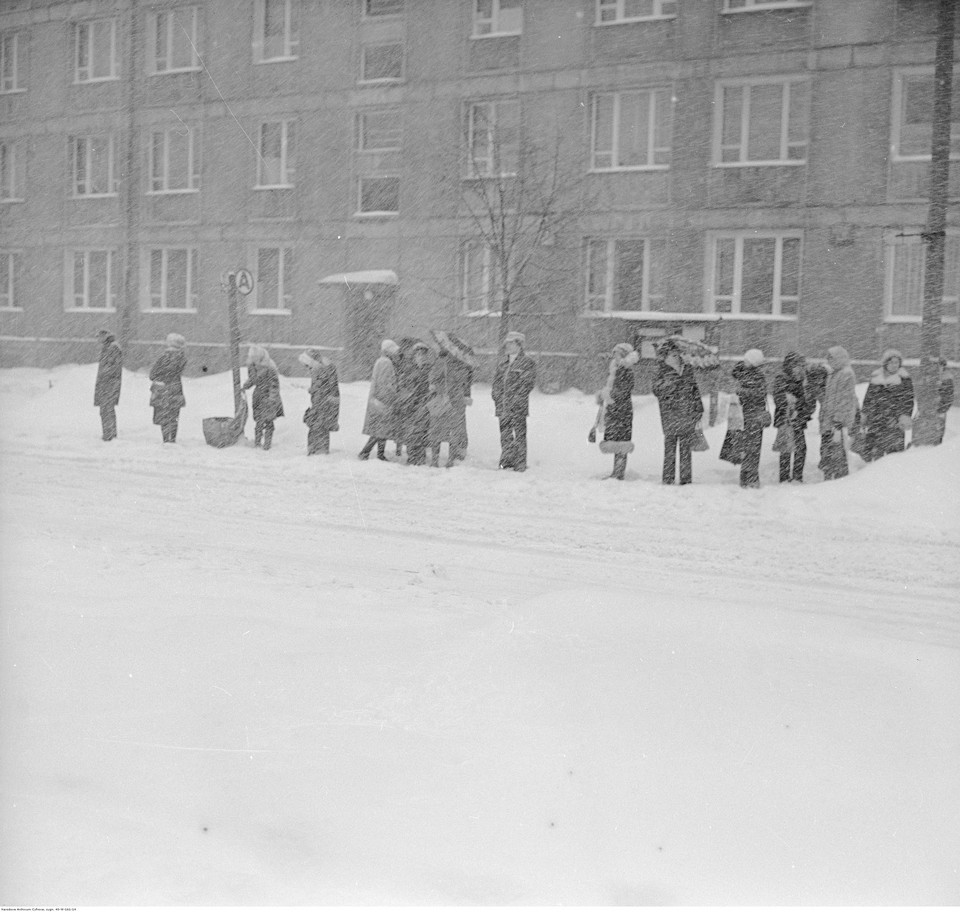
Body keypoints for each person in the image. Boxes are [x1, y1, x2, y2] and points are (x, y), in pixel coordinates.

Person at [652, 340, 703, 485]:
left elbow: (694, 389)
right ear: (666, 356)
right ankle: (668, 478)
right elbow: (656, 390)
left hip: (687, 413)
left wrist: (698, 407)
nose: (675, 356)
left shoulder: (686, 369)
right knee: (670, 448)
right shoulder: (661, 370)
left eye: (677, 353)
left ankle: (686, 479)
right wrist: (670, 383)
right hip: (670, 414)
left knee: (686, 449)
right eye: (672, 354)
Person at [491, 331, 536, 472]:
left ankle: (520, 463)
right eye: (507, 343)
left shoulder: (527, 363)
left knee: (519, 435)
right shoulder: (503, 363)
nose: (508, 346)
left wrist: (516, 399)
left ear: (519, 345)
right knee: (505, 435)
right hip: (502, 406)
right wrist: (496, 396)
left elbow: (527, 384)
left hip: (518, 407)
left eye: (511, 343)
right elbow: (497, 383)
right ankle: (506, 461)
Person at [860, 349, 914, 461]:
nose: (894, 365)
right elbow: (868, 399)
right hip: (876, 421)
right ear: (885, 363)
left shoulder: (904, 379)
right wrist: (864, 414)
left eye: (897, 362)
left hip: (894, 422)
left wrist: (904, 416)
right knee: (874, 454)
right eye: (891, 362)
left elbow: (908, 400)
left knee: (893, 456)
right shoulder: (876, 378)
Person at [597, 342, 638, 480]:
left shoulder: (626, 370)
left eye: (617, 354)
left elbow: (624, 391)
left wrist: (608, 395)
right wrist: (604, 394)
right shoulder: (616, 369)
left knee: (621, 443)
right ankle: (617, 471)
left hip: (622, 411)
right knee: (616, 442)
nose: (614, 356)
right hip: (615, 410)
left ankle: (619, 472)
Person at [772, 351, 815, 483]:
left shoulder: (804, 380)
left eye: (800, 365)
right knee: (786, 448)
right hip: (786, 419)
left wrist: (803, 411)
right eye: (796, 364)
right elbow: (779, 398)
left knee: (800, 448)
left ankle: (797, 477)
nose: (799, 368)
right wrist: (791, 405)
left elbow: (810, 400)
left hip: (799, 419)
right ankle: (785, 478)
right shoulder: (782, 379)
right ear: (789, 365)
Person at [818, 345, 859, 480]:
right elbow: (828, 398)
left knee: (837, 455)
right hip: (829, 422)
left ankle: (838, 482)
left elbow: (845, 399)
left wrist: (838, 420)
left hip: (836, 423)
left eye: (832, 358)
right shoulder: (833, 374)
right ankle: (829, 478)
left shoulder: (846, 374)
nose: (829, 361)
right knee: (828, 454)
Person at [731, 349, 769, 488]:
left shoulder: (744, 374)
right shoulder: (755, 375)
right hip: (751, 414)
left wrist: (742, 392)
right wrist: (744, 392)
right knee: (751, 448)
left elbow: (757, 393)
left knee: (748, 448)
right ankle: (750, 478)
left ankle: (747, 477)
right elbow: (759, 393)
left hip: (747, 414)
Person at [427, 348, 471, 468]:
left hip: (449, 401)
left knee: (443, 431)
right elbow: (433, 379)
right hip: (447, 401)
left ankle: (440, 460)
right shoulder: (448, 364)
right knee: (447, 432)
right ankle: (444, 460)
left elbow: (464, 382)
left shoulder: (456, 365)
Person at [359, 339, 399, 461]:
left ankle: (379, 454)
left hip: (378, 398)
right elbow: (385, 383)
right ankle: (365, 452)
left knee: (381, 429)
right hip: (383, 399)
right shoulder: (386, 363)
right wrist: (393, 392)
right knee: (380, 429)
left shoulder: (381, 361)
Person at [394, 340, 431, 464]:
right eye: (419, 354)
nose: (422, 357)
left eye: (424, 354)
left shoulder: (429, 370)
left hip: (424, 404)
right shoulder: (409, 369)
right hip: (411, 405)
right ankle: (412, 456)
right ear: (415, 356)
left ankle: (420, 457)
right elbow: (403, 384)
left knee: (422, 432)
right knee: (411, 432)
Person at [242, 345, 284, 450]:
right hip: (258, 396)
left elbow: (274, 385)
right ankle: (257, 443)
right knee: (259, 421)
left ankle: (267, 444)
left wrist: (272, 399)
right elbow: (252, 379)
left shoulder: (270, 367)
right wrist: (244, 386)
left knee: (269, 421)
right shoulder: (252, 365)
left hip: (268, 396)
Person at [299, 348, 339, 455]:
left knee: (317, 426)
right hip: (323, 402)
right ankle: (320, 449)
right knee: (321, 426)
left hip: (322, 402)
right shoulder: (324, 367)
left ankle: (315, 449)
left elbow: (322, 387)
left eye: (307, 365)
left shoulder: (320, 369)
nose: (307, 368)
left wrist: (314, 390)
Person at [149, 333, 187, 443]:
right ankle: (173, 439)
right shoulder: (182, 358)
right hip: (176, 388)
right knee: (174, 415)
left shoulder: (164, 357)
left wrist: (160, 376)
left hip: (163, 390)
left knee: (164, 416)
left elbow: (153, 374)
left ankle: (166, 439)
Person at [93, 328, 122, 441]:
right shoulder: (109, 347)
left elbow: (113, 367)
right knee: (105, 409)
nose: (98, 340)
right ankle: (109, 433)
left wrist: (104, 375)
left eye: (99, 337)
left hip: (108, 384)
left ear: (104, 336)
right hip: (106, 384)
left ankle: (109, 434)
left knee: (107, 409)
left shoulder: (112, 348)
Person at [936, 357, 954, 445]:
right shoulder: (931, 377)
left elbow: (949, 396)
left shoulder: (947, 379)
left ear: (943, 366)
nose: (938, 367)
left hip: (940, 410)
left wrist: (941, 408)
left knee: (938, 433)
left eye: (940, 365)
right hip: (928, 411)